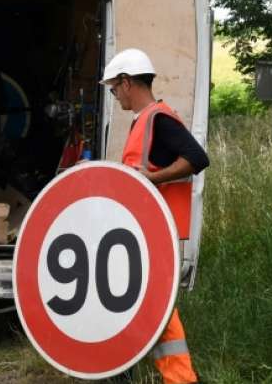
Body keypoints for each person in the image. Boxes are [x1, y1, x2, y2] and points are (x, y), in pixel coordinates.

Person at [100, 48, 207, 384]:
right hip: (142, 231)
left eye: (114, 89)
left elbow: (197, 157)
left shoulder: (158, 118)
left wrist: (153, 179)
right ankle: (132, 371)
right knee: (142, 303)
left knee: (155, 306)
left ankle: (179, 378)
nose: (115, 96)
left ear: (127, 82)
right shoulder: (143, 122)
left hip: (156, 232)